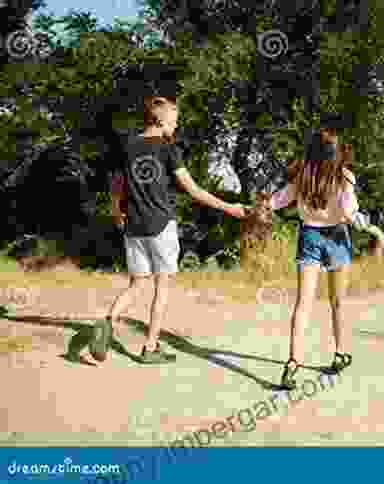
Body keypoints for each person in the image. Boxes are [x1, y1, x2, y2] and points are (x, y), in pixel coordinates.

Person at [91, 95, 250, 364]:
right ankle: (150, 348)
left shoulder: (128, 146)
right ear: (162, 120)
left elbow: (117, 184)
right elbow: (193, 190)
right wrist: (230, 208)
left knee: (137, 283)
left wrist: (116, 212)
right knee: (162, 288)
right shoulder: (168, 149)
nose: (175, 127)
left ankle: (107, 322)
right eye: (174, 121)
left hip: (134, 227)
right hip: (161, 225)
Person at [266, 126, 358, 389]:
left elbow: (277, 200)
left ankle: (293, 362)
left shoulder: (302, 176)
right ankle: (340, 353)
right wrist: (374, 228)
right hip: (337, 238)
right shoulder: (345, 178)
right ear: (337, 153)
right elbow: (350, 213)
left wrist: (258, 208)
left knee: (303, 303)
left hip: (309, 237)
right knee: (337, 302)